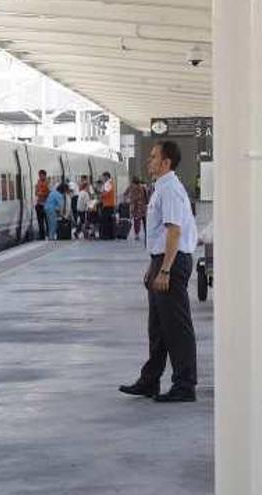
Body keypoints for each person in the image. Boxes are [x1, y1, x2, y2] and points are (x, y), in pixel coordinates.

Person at [119, 141, 199, 403]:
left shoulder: (171, 190)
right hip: (162, 261)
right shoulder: (160, 188)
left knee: (176, 327)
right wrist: (153, 266)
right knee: (158, 327)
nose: (148, 161)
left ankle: (185, 385)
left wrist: (164, 270)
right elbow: (159, 235)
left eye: (153, 157)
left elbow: (174, 232)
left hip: (171, 263)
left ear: (166, 163)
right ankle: (150, 380)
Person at [125, 176, 149, 241]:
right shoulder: (143, 187)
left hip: (136, 206)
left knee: (137, 221)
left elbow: (125, 193)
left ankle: (137, 234)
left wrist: (128, 199)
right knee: (144, 220)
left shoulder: (131, 187)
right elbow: (146, 196)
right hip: (142, 206)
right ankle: (147, 233)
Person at [100, 171, 117, 239]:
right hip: (109, 204)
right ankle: (110, 235)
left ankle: (106, 235)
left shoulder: (108, 183)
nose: (103, 178)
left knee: (106, 221)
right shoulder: (110, 183)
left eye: (103, 177)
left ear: (106, 176)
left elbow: (106, 193)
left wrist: (101, 195)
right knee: (109, 220)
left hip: (107, 205)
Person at [35, 170, 50, 240]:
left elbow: (49, 193)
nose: (40, 177)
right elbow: (36, 192)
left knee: (47, 221)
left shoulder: (48, 183)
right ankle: (42, 236)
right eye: (39, 175)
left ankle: (49, 235)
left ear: (44, 175)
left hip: (46, 205)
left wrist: (41, 193)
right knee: (40, 222)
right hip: (39, 205)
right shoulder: (38, 183)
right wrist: (40, 193)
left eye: (41, 175)